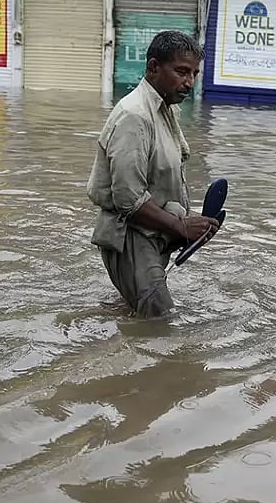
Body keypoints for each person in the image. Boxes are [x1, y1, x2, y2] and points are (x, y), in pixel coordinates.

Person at [86, 30, 219, 318]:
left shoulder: (165, 109)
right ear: (154, 67)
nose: (190, 83)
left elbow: (159, 184)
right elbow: (128, 202)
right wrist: (182, 228)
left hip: (155, 234)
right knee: (160, 324)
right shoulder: (135, 116)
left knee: (137, 315)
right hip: (131, 238)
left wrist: (190, 224)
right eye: (182, 72)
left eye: (194, 73)